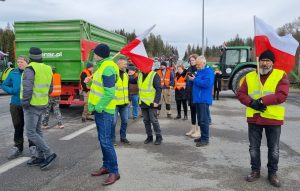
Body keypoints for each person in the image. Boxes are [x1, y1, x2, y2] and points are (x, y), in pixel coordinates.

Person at [237, 50, 289, 187]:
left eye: (268, 61)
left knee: (274, 149)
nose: (264, 63)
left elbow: (281, 95)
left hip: (273, 118)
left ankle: (272, 173)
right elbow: (241, 93)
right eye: (262, 60)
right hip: (254, 118)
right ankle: (255, 171)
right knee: (253, 147)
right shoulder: (249, 76)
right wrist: (251, 103)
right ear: (258, 62)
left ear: (272, 63)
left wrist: (261, 101)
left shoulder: (280, 75)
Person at [88, 44, 120, 186]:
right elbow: (98, 88)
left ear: (99, 54)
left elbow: (109, 92)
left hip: (105, 111)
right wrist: (89, 83)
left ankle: (114, 171)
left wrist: (99, 107)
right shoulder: (102, 66)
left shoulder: (107, 68)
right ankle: (106, 166)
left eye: (95, 53)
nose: (93, 55)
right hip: (100, 110)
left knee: (106, 141)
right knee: (103, 140)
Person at [21, 47, 57, 170]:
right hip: (42, 103)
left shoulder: (30, 69)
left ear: (30, 56)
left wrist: (25, 103)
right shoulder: (48, 68)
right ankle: (41, 156)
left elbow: (27, 88)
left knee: (30, 133)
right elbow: (51, 89)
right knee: (37, 131)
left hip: (31, 105)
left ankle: (49, 153)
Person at [2, 55, 36, 159]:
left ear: (27, 62)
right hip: (15, 104)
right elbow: (4, 85)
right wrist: (12, 91)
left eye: (21, 62)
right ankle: (18, 147)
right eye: (18, 62)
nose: (19, 63)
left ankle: (33, 147)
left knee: (30, 127)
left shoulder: (31, 72)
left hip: (29, 104)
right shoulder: (13, 73)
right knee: (18, 126)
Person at [188, 55, 214, 147]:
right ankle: (202, 137)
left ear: (203, 63)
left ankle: (205, 139)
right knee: (200, 120)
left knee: (204, 120)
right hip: (198, 99)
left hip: (203, 99)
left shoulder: (208, 72)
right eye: (196, 64)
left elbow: (207, 84)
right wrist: (191, 79)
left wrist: (195, 79)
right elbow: (194, 83)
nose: (197, 66)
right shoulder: (200, 71)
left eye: (198, 64)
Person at [138, 68, 163, 145]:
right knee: (146, 120)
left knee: (153, 120)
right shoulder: (140, 75)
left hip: (152, 102)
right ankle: (149, 136)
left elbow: (159, 89)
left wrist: (156, 101)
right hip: (142, 102)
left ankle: (159, 136)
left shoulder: (154, 75)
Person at [112, 57, 131, 145]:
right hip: (115, 103)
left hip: (124, 103)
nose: (126, 65)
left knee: (125, 121)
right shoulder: (113, 74)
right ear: (119, 64)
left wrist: (129, 99)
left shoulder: (126, 74)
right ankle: (112, 139)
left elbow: (127, 88)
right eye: (124, 64)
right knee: (113, 122)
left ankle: (123, 137)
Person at [185, 54, 199, 137]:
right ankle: (193, 129)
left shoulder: (199, 69)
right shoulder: (189, 69)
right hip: (190, 93)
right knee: (192, 112)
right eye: (190, 61)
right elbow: (187, 81)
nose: (191, 62)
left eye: (193, 60)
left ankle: (198, 130)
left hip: (196, 93)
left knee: (198, 113)